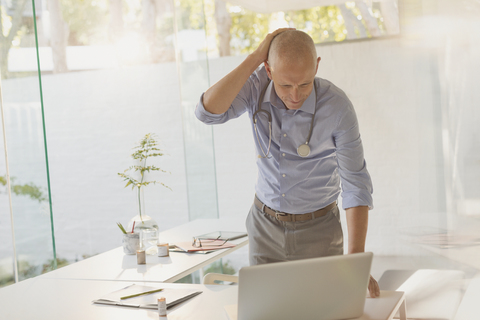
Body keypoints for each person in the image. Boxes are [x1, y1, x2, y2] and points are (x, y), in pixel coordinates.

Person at [195, 28, 380, 298]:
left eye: (304, 84)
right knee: (266, 312)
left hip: (320, 232)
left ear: (316, 67)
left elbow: (356, 185)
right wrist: (254, 58)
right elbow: (207, 113)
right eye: (285, 85)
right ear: (268, 71)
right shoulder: (256, 87)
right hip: (265, 228)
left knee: (325, 312)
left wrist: (355, 259)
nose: (295, 95)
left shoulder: (338, 107)